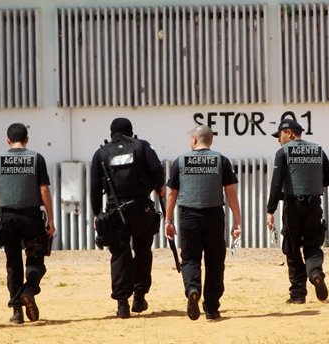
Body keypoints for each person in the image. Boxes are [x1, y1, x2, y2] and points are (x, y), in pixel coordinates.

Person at [164, 125, 242, 320]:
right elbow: (231, 193)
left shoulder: (180, 161)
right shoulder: (221, 160)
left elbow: (172, 194)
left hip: (188, 216)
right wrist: (237, 221)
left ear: (194, 140)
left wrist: (168, 220)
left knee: (190, 258)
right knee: (215, 261)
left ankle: (193, 289)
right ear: (211, 141)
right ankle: (212, 307)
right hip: (214, 215)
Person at [0, 123, 56, 324]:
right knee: (36, 258)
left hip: (8, 218)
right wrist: (51, 219)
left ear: (8, 140)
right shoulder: (36, 158)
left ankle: (16, 312)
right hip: (31, 216)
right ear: (27, 139)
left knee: (13, 264)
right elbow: (44, 190)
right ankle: (29, 289)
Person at [90, 118, 165, 318]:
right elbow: (158, 169)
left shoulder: (101, 153)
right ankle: (139, 297)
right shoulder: (142, 147)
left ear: (112, 132)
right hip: (141, 208)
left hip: (115, 211)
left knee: (119, 255)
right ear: (131, 131)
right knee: (142, 250)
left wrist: (98, 214)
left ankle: (122, 304)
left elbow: (95, 187)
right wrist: (159, 187)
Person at [265, 119, 329, 304]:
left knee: (293, 248)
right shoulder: (317, 150)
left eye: (279, 135)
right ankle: (315, 274)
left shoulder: (283, 153)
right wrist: (312, 185)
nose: (278, 140)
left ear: (288, 132)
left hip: (293, 206)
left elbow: (276, 184)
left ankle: (298, 294)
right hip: (314, 204)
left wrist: (270, 210)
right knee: (312, 245)